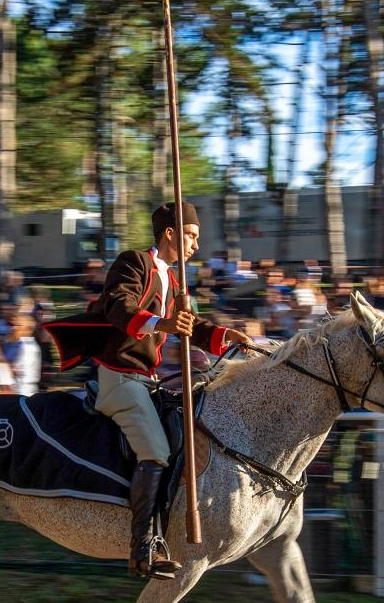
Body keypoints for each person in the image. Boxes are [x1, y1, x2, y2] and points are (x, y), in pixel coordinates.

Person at [44, 202, 249, 580]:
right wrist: (163, 323)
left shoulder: (173, 279)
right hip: (118, 379)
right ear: (169, 233)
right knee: (155, 451)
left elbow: (188, 326)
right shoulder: (133, 261)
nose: (195, 246)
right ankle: (143, 547)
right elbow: (118, 306)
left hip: (147, 380)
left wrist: (222, 337)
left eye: (197, 239)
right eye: (190, 236)